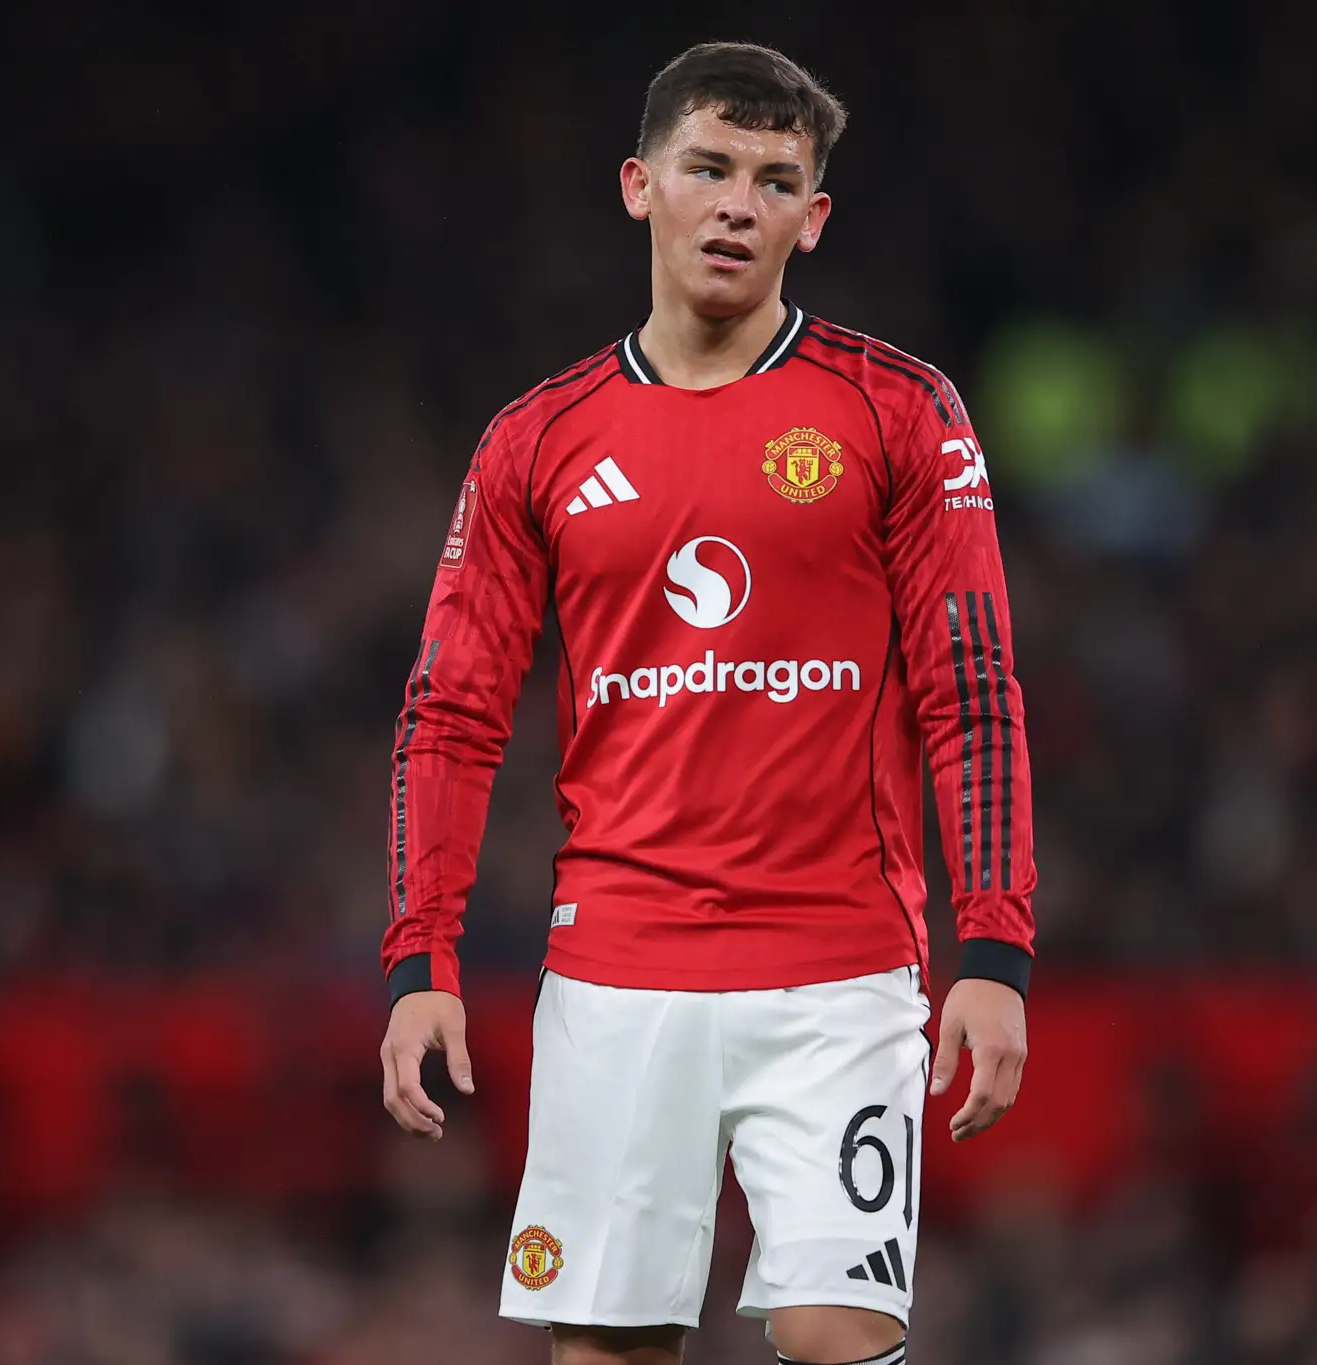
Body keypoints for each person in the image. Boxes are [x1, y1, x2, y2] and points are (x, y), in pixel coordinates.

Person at [378, 41, 1035, 1365]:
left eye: (775, 179)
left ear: (814, 217)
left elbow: (974, 692)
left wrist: (998, 949)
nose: (738, 203)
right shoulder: (536, 442)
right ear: (640, 186)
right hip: (617, 969)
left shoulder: (900, 414)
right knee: (609, 1348)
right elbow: (451, 712)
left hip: (840, 965)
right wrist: (419, 957)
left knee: (837, 1334)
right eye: (709, 168)